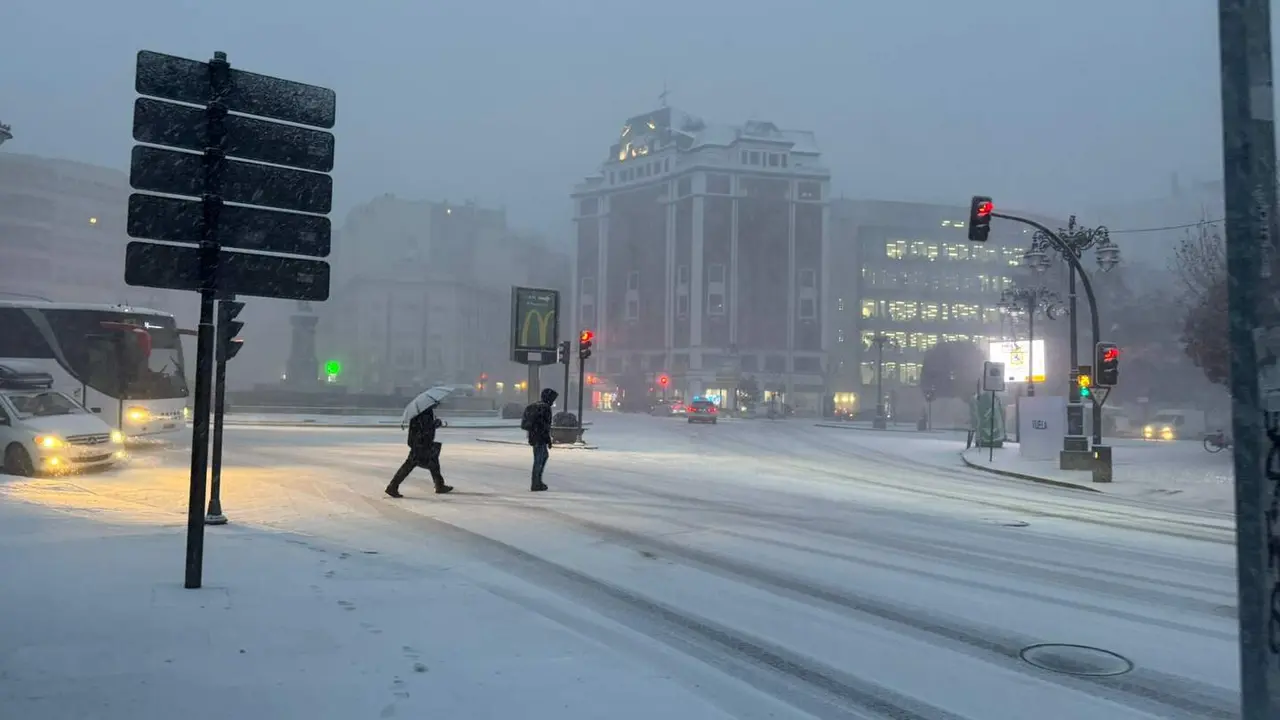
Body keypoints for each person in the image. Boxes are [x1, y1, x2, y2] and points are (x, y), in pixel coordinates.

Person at [385, 401, 452, 498]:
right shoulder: (424, 413)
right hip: (420, 444)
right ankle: (392, 486)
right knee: (409, 465)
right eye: (435, 403)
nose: (437, 404)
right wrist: (436, 424)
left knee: (433, 463)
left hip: (420, 443)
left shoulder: (421, 412)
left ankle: (439, 485)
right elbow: (426, 429)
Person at [520, 388, 557, 492]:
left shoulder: (535, 406)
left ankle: (537, 481)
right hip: (540, 437)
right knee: (539, 460)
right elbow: (545, 426)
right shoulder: (545, 408)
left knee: (541, 457)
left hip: (534, 436)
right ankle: (536, 482)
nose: (553, 401)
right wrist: (548, 440)